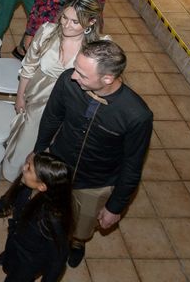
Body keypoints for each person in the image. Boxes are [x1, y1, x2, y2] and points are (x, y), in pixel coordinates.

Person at [33, 40, 153, 268]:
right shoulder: (67, 82)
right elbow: (51, 118)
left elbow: (132, 165)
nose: (73, 76)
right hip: (58, 168)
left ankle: (77, 244)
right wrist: (39, 152)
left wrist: (115, 207)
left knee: (81, 226)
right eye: (76, 67)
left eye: (82, 74)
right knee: (48, 213)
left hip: (96, 183)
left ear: (107, 78)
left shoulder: (137, 116)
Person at [2, 0, 102, 182]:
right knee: (27, 139)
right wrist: (20, 95)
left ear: (91, 22)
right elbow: (29, 66)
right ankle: (16, 177)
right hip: (38, 100)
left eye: (75, 22)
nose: (66, 25)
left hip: (70, 106)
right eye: (64, 17)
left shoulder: (97, 48)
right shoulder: (48, 32)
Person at [0, 152, 72, 282]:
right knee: (9, 262)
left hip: (28, 261)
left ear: (42, 186)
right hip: (16, 240)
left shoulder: (52, 219)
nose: (24, 168)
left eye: (29, 168)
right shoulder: (28, 187)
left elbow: (58, 258)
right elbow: (13, 195)